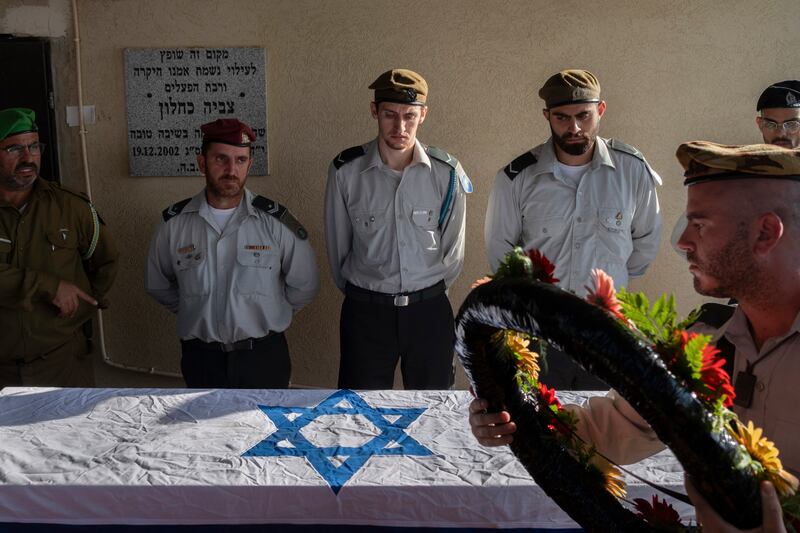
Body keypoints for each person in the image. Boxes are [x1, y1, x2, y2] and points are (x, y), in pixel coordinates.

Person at [469, 141, 800, 527]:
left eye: (701, 224)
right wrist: (512, 415)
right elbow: (610, 428)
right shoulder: (707, 342)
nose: (682, 242)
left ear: (765, 233)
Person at [484, 69, 662, 389]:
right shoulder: (518, 178)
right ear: (547, 117)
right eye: (562, 118)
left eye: (584, 115)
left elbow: (646, 241)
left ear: (601, 110)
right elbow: (501, 251)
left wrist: (612, 285)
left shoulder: (632, 171)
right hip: (542, 334)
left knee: (603, 430)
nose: (575, 128)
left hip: (606, 333)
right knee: (543, 427)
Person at [325, 68, 471, 390]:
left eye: (409, 115)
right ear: (374, 111)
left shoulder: (446, 173)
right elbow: (338, 252)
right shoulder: (346, 172)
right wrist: (370, 293)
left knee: (433, 409)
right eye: (390, 114)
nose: (400, 126)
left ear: (423, 115)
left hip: (428, 314)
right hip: (366, 313)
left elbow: (453, 252)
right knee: (359, 409)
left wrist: (426, 294)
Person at [145, 118, 319, 389]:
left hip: (263, 358)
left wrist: (269, 312)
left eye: (240, 160)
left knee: (267, 432)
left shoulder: (275, 223)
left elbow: (305, 285)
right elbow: (158, 285)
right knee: (205, 431)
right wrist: (196, 308)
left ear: (249, 164)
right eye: (221, 159)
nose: (231, 169)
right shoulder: (174, 225)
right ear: (202, 162)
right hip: (202, 360)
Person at [0, 107, 118, 387]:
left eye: (33, 147)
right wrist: (50, 286)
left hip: (60, 364)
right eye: (14, 149)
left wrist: (75, 312)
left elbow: (105, 261)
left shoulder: (70, 207)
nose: (28, 158)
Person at [756, 80, 800, 149]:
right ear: (760, 124)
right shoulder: (745, 158)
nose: (780, 134)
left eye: (791, 124)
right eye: (770, 124)